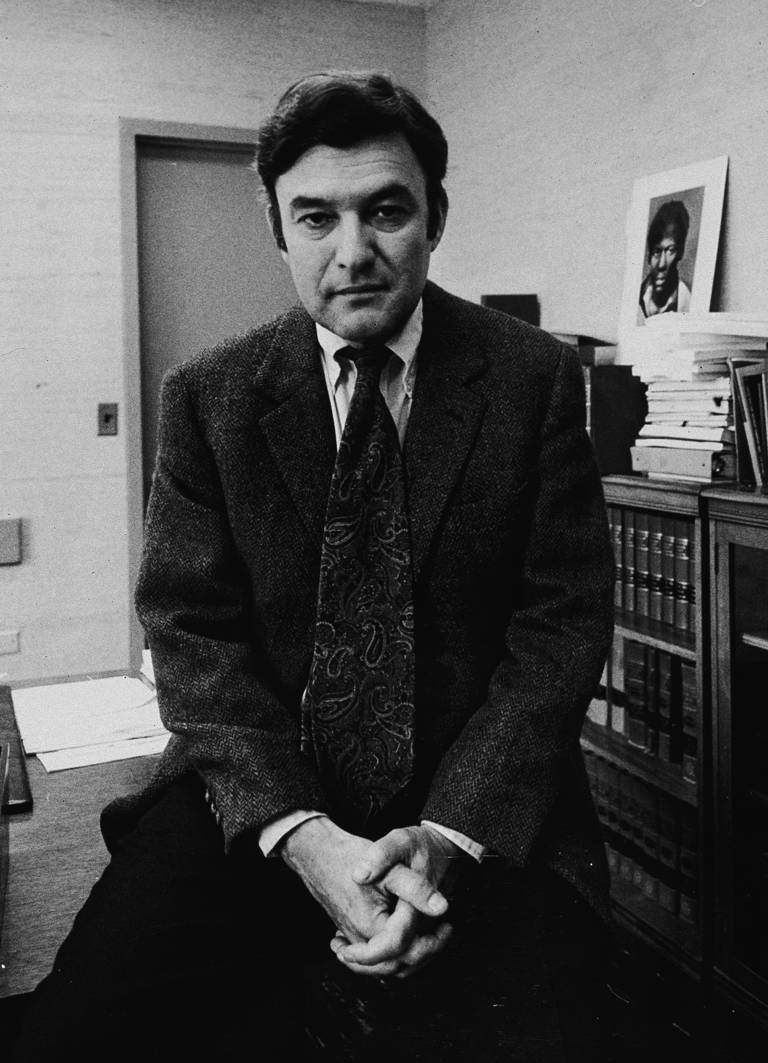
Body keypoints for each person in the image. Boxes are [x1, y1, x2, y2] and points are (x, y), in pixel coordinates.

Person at [13, 71, 617, 1061]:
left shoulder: (532, 378)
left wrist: (448, 841)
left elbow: (560, 626)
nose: (354, 252)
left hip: (474, 799)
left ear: (436, 215)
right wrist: (300, 833)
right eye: (316, 216)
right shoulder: (210, 397)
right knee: (73, 1030)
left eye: (386, 210)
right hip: (258, 795)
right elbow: (191, 632)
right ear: (277, 229)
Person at [638, 199, 692, 319]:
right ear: (649, 256)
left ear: (680, 252)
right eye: (657, 251)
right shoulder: (636, 298)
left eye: (670, 250)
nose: (662, 264)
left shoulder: (686, 300)